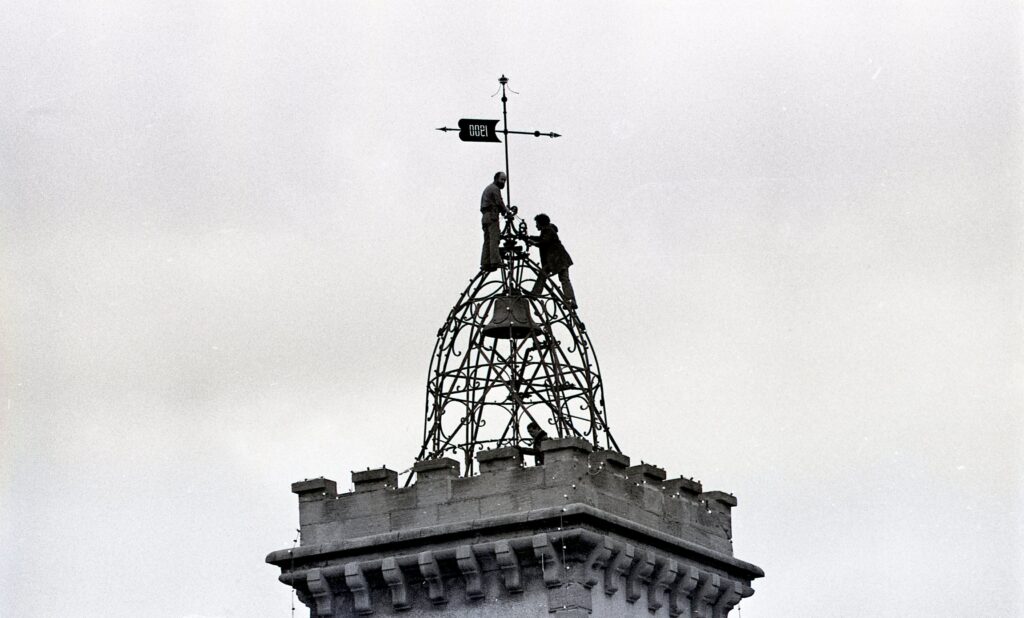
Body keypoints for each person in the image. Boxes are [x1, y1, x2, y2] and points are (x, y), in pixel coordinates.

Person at [527, 213, 577, 309]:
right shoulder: (548, 230)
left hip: (557, 260)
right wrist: (530, 237)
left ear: (541, 223)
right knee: (563, 279)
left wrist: (531, 242)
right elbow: (542, 239)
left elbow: (543, 242)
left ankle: (535, 293)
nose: (536, 226)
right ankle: (570, 300)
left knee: (560, 278)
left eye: (537, 223)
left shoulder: (548, 230)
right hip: (559, 259)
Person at [480, 171, 508, 272]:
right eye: (502, 180)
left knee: (487, 240)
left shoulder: (488, 188)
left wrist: (503, 210)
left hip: (485, 217)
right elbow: (499, 202)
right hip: (492, 216)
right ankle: (495, 261)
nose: (503, 182)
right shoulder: (495, 189)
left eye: (505, 180)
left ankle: (485, 262)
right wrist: (507, 211)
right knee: (494, 239)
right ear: (496, 179)